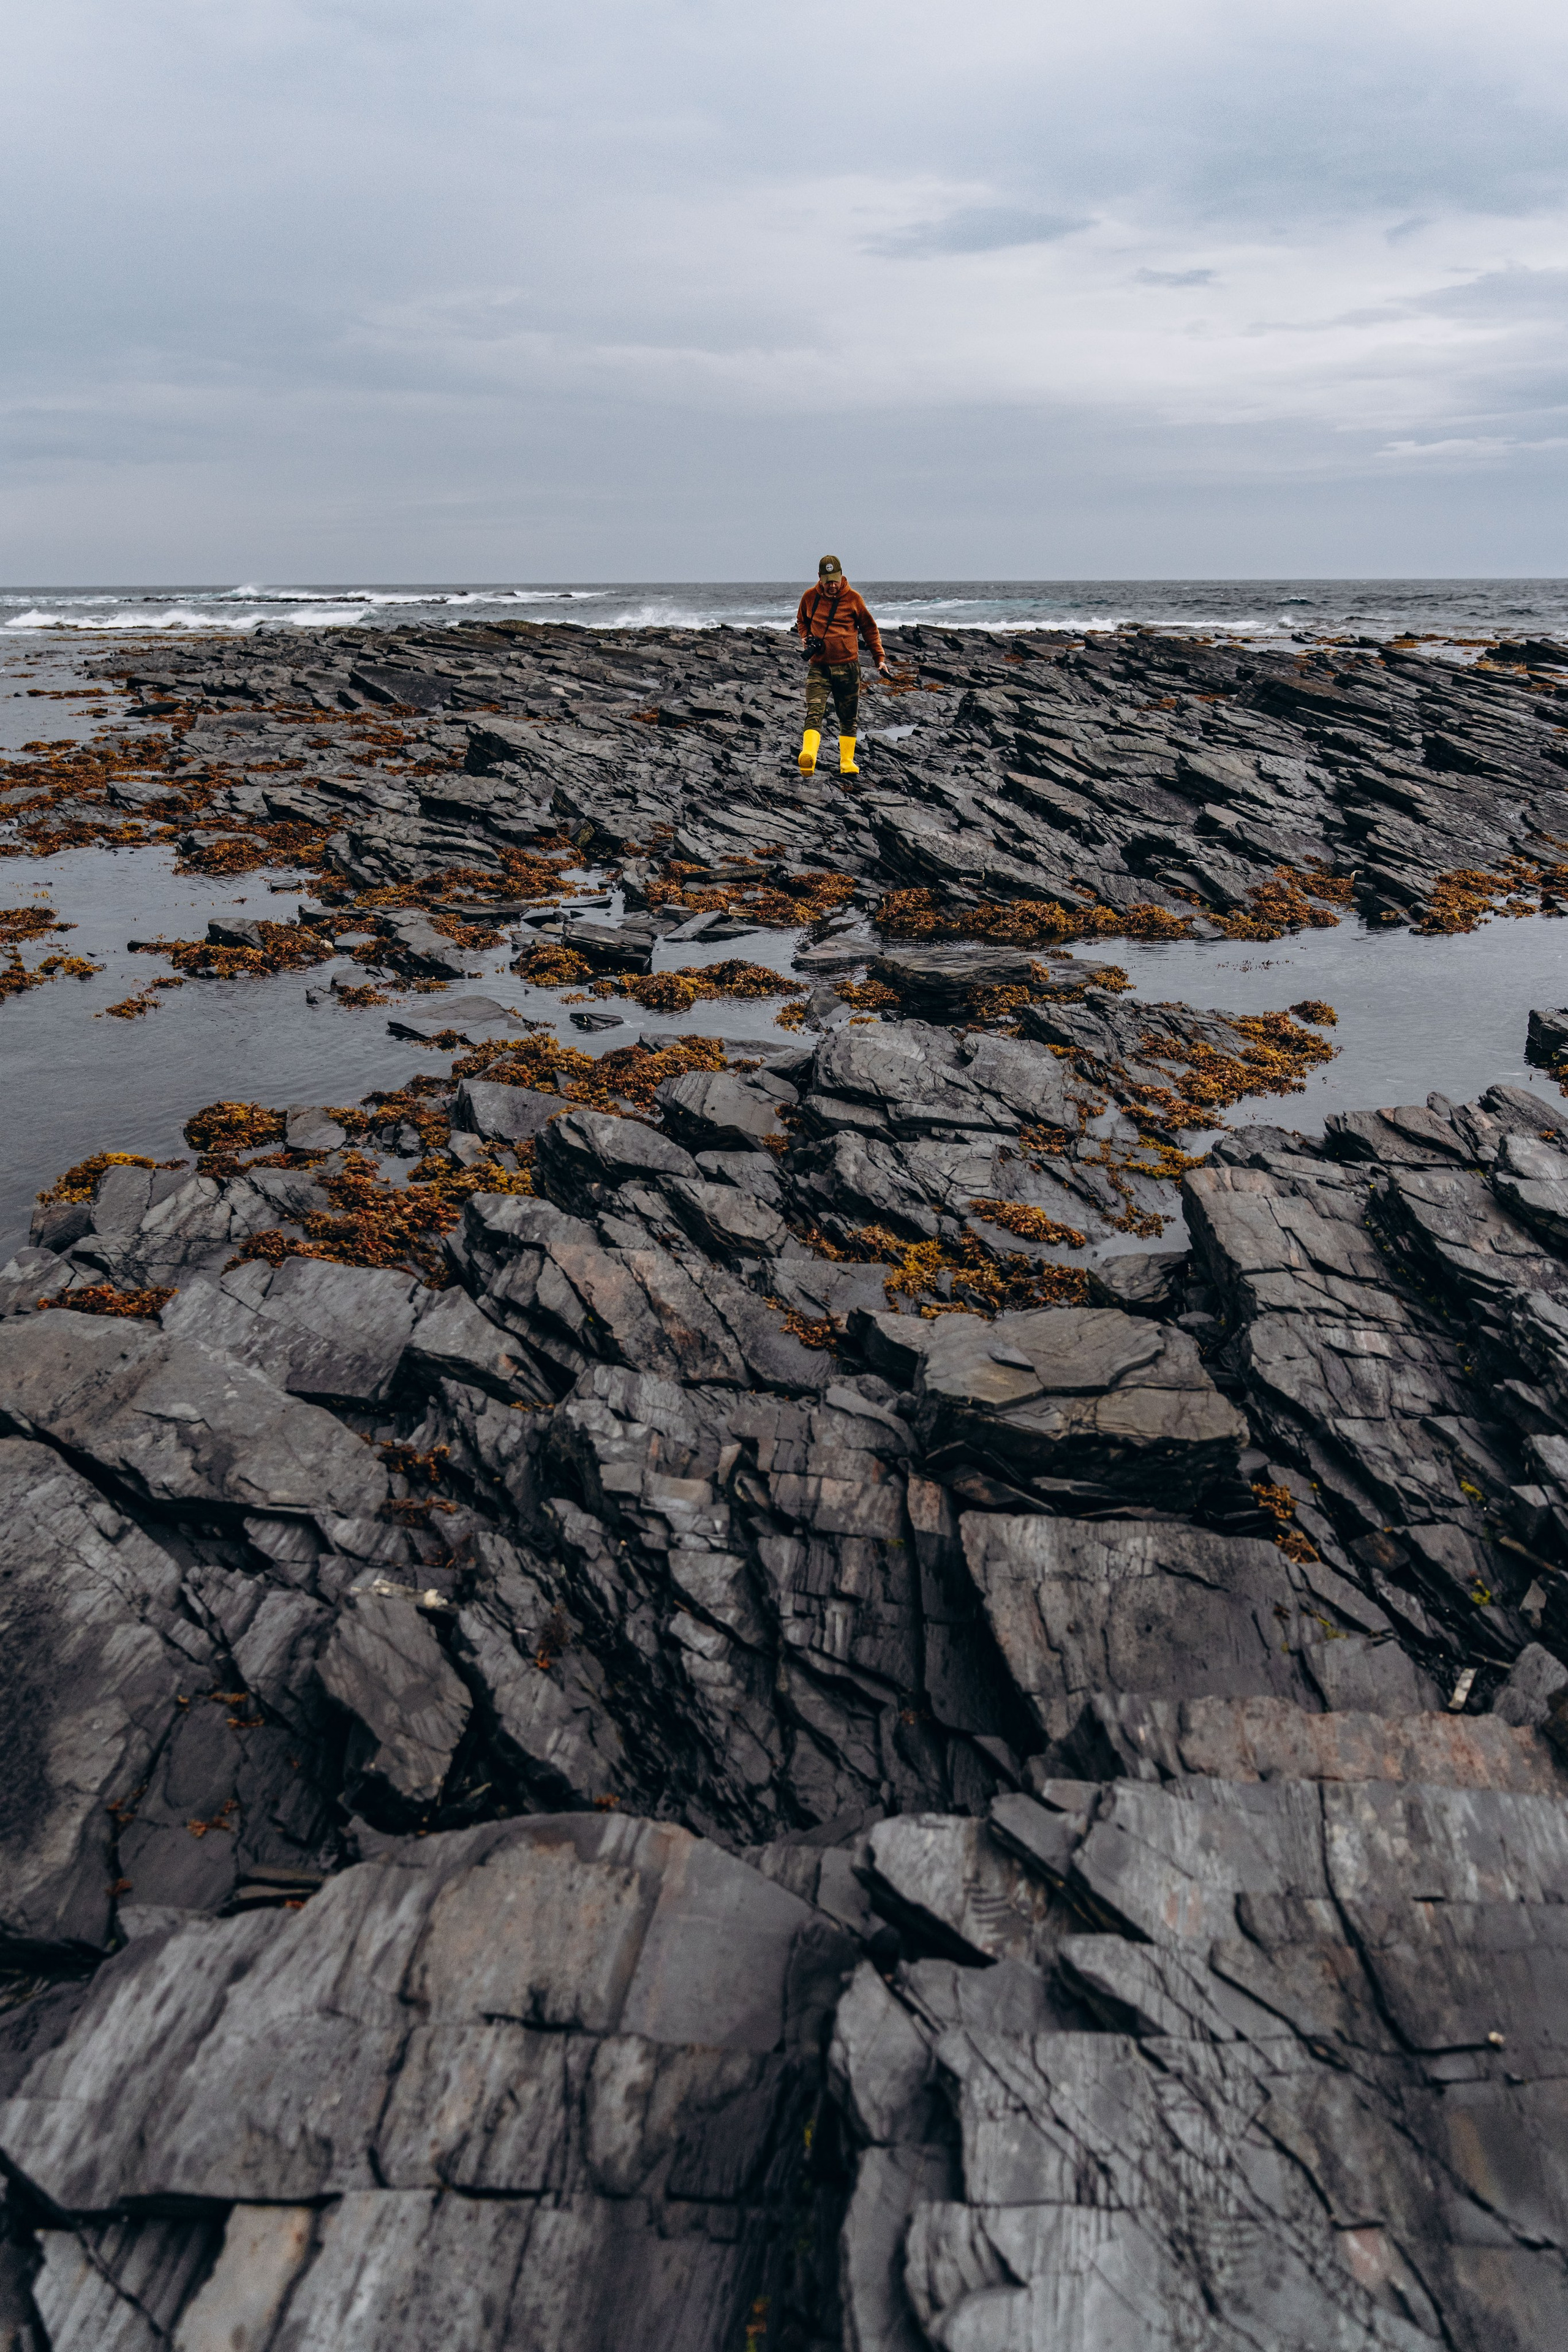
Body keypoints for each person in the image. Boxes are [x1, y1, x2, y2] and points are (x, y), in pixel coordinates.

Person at [795, 555, 888, 777]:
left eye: (835, 580)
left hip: (848, 668)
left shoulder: (854, 599)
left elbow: (870, 630)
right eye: (828, 581)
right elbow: (801, 621)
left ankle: (847, 763)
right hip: (819, 667)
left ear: (841, 576)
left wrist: (880, 659)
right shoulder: (809, 597)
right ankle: (809, 755)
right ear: (820, 578)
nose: (832, 585)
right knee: (814, 711)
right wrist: (806, 636)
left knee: (848, 717)